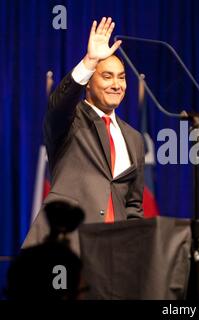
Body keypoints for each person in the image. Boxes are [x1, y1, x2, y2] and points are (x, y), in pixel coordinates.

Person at [23, 17, 145, 254]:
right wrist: (90, 62)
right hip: (65, 244)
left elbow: (133, 205)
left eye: (121, 77)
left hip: (113, 254)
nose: (116, 84)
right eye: (107, 76)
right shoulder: (70, 119)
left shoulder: (134, 138)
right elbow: (59, 104)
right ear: (89, 83)